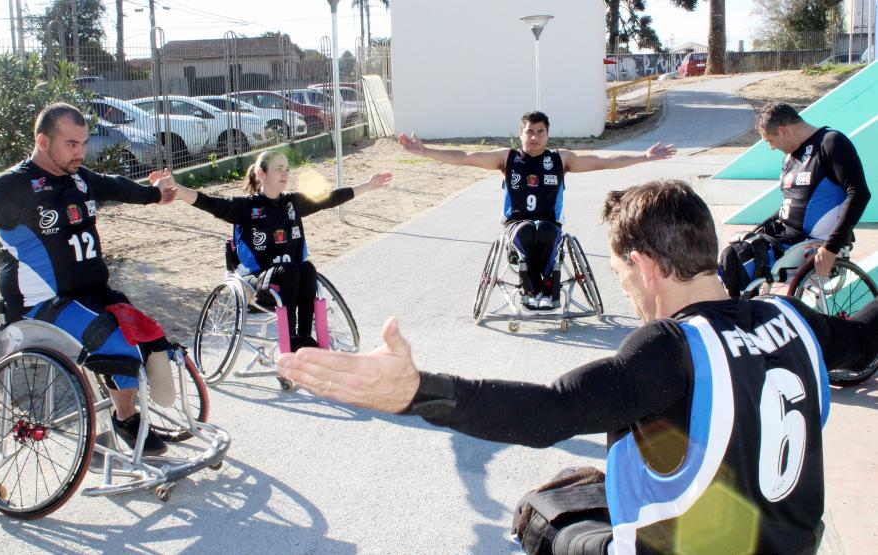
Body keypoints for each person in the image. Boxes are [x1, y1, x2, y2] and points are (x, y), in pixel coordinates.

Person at [277, 180, 878, 554]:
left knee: (543, 518)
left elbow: (549, 412)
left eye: (619, 274)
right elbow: (867, 339)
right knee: (589, 484)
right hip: (798, 542)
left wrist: (414, 392)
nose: (624, 292)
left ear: (644, 266)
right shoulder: (794, 318)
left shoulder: (669, 349)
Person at [0, 102, 182, 456]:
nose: (80, 152)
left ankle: (129, 410)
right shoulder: (12, 186)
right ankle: (126, 420)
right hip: (41, 308)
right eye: (71, 144)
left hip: (91, 295)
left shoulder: (79, 178)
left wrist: (155, 194)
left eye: (83, 143)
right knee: (117, 343)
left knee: (148, 335)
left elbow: (116, 186)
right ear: (43, 141)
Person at [398, 111, 675, 309]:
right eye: (529, 131)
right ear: (521, 134)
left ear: (547, 135)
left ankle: (548, 290)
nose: (534, 137)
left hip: (550, 224)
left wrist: (644, 156)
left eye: (540, 132)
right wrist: (425, 151)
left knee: (545, 231)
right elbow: (464, 158)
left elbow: (602, 161)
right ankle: (531, 289)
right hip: (517, 224)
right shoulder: (507, 159)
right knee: (529, 231)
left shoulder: (559, 159)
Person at [171, 150, 392, 350]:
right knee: (290, 270)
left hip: (291, 278)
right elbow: (210, 203)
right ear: (261, 173)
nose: (285, 173)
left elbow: (330, 198)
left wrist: (367, 185)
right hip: (256, 281)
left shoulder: (293, 203)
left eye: (287, 168)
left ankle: (305, 338)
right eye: (278, 168)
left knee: (306, 268)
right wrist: (178, 190)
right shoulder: (245, 207)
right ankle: (292, 339)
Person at [719, 102, 871, 297]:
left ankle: (745, 315)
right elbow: (788, 206)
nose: (771, 147)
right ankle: (745, 313)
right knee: (731, 255)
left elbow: (859, 193)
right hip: (784, 237)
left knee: (739, 260)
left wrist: (832, 247)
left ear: (783, 131)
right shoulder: (789, 158)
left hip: (809, 242)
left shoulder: (831, 143)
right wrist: (757, 230)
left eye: (769, 140)